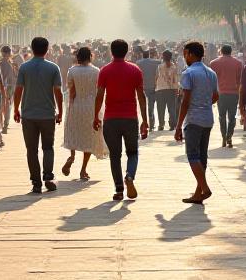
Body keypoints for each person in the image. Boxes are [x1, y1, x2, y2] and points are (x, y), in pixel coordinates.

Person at [94, 39, 149, 201]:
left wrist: (95, 115)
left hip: (111, 118)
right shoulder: (135, 70)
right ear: (127, 52)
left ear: (112, 51)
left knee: (115, 155)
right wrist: (145, 120)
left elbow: (99, 95)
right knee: (132, 153)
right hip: (130, 118)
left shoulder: (105, 70)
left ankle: (118, 189)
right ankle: (130, 176)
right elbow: (141, 96)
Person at [13, 37, 64, 194]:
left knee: (31, 149)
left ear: (32, 48)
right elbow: (58, 92)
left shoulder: (24, 68)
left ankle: (36, 182)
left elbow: (18, 90)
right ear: (47, 49)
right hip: (47, 114)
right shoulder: (53, 68)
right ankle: (48, 176)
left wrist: (16, 109)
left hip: (28, 115)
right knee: (48, 147)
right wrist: (60, 111)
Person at [174, 41, 219, 204]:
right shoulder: (211, 73)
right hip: (207, 118)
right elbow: (216, 96)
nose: (184, 57)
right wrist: (205, 103)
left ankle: (205, 188)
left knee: (193, 155)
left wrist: (178, 125)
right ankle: (198, 192)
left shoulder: (189, 73)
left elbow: (185, 101)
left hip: (193, 119)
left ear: (191, 54)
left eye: (185, 54)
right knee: (202, 156)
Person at [61, 46, 108, 180]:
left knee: (74, 132)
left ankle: (72, 156)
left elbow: (72, 91)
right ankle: (83, 170)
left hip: (77, 105)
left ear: (78, 57)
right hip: (91, 106)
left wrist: (70, 107)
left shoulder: (72, 71)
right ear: (90, 56)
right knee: (89, 136)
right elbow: (99, 91)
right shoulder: (96, 71)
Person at [209, 44, 243, 148]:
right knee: (232, 117)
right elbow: (240, 80)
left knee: (221, 116)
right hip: (234, 93)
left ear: (221, 51)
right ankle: (229, 136)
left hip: (221, 94)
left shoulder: (214, 63)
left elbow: (212, 81)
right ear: (231, 51)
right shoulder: (238, 63)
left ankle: (224, 136)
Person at [155, 50, 181, 131]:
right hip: (171, 90)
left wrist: (155, 86)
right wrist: (176, 89)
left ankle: (161, 125)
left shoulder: (159, 67)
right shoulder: (174, 67)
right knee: (171, 108)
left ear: (163, 57)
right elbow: (176, 80)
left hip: (161, 90)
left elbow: (156, 78)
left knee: (161, 109)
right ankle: (172, 125)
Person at [137, 49, 162, 131]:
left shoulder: (138, 63)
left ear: (142, 55)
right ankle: (151, 124)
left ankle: (144, 122)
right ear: (149, 55)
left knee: (143, 106)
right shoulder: (155, 62)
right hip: (153, 87)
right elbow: (161, 61)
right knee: (151, 106)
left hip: (142, 88)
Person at [0, 45, 18, 134]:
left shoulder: (0, 63)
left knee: (2, 106)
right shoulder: (10, 63)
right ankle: (5, 125)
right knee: (7, 106)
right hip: (9, 87)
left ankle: (3, 125)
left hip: (3, 87)